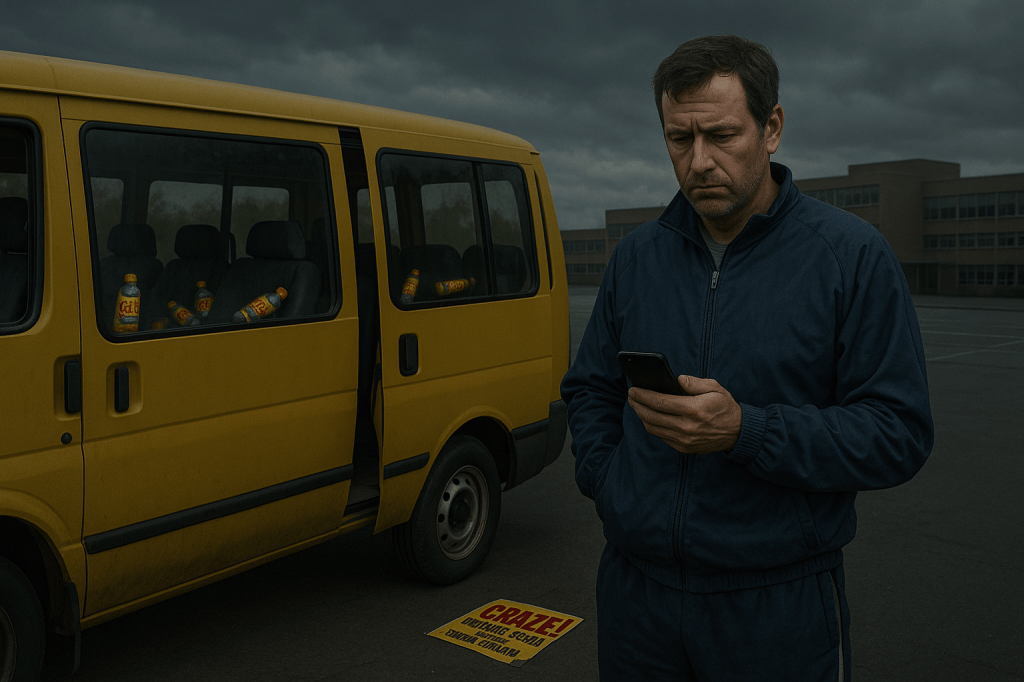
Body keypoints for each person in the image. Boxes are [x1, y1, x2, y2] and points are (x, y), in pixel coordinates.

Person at [560, 34, 933, 681]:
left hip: (777, 606)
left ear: (773, 128)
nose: (699, 160)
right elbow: (590, 388)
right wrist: (608, 481)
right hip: (636, 598)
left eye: (722, 135)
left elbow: (898, 431)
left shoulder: (850, 257)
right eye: (680, 139)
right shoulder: (636, 258)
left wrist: (747, 431)